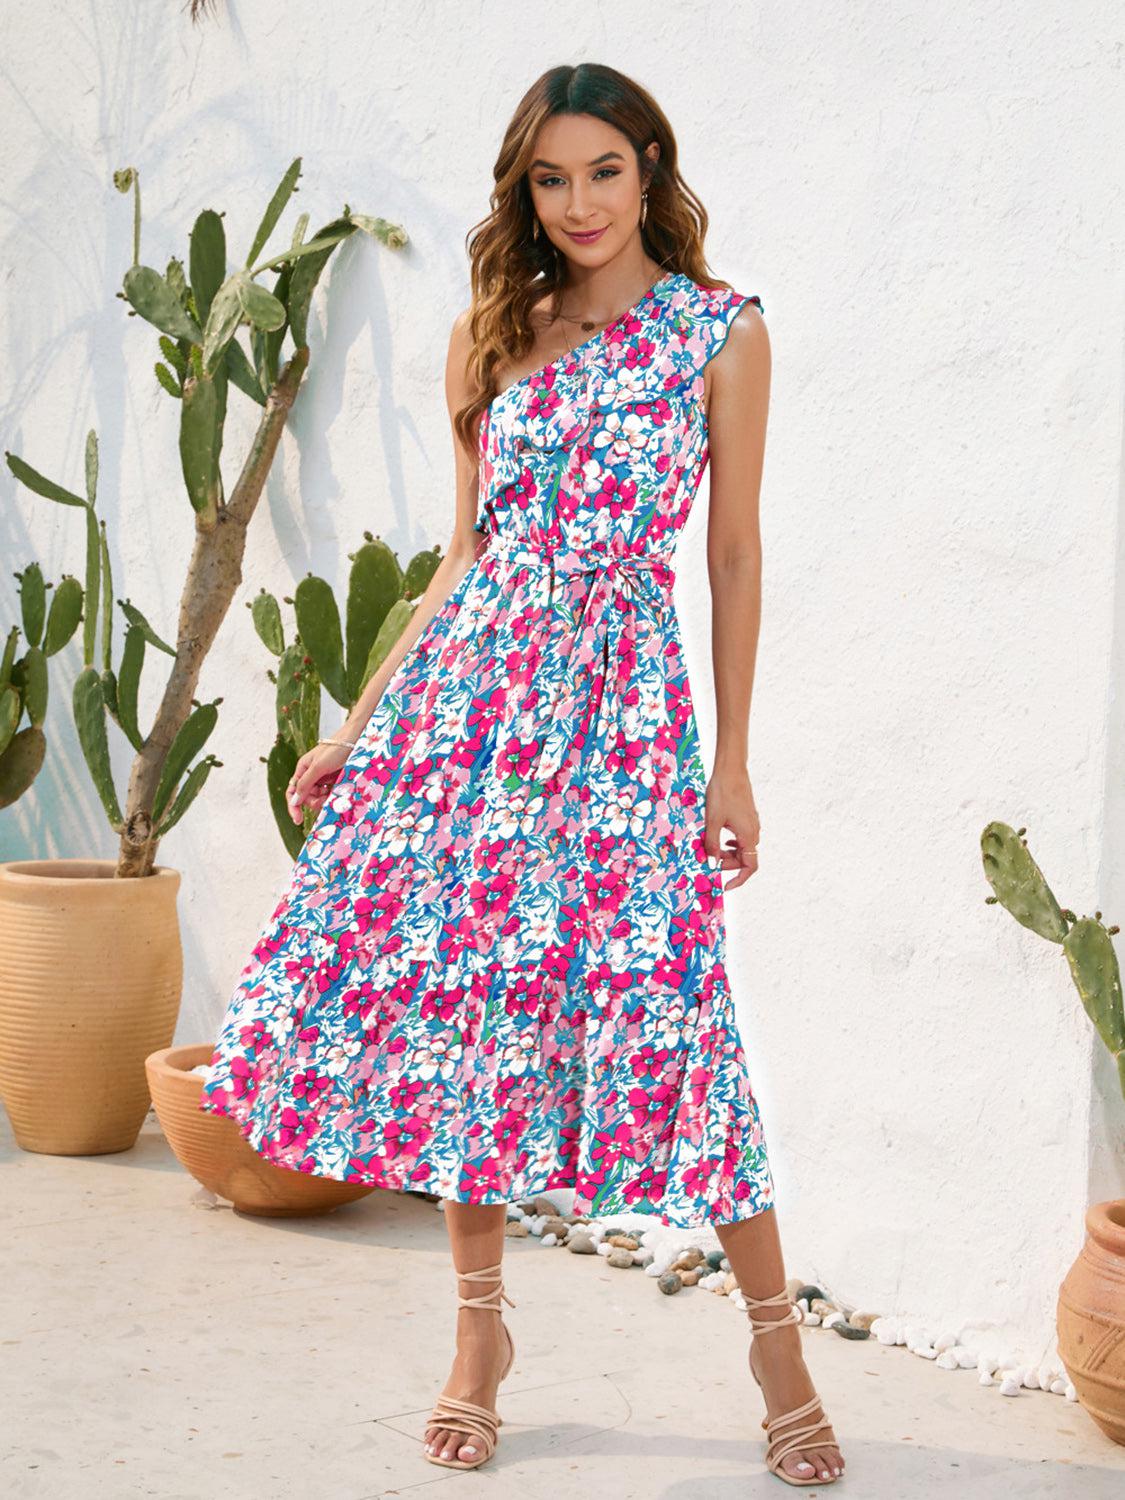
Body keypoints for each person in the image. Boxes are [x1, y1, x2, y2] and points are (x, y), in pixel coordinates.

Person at [199, 61, 845, 1489]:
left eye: (603, 171)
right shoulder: (492, 335)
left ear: (648, 169)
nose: (578, 204)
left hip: (622, 716)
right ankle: (478, 1341)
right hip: (471, 713)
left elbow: (730, 556)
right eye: (549, 179)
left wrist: (729, 765)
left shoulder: (715, 334)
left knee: (675, 1011)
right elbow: (464, 558)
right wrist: (363, 724)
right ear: (522, 191)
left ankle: (774, 1348)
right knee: (468, 1016)